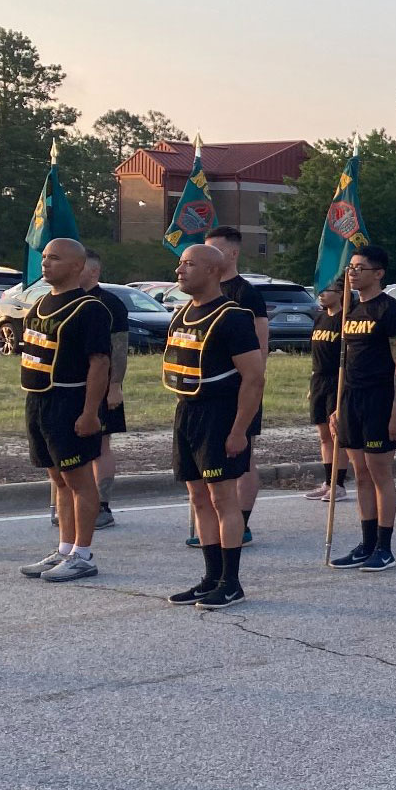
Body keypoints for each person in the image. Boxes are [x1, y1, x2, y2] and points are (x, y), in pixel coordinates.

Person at [159, 244, 264, 608]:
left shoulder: (234, 317)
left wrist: (239, 430)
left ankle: (231, 582)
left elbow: (254, 378)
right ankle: (210, 577)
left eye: (189, 264)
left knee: (223, 499)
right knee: (198, 498)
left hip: (219, 416)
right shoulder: (182, 312)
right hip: (187, 412)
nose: (180, 270)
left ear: (212, 271)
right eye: (180, 263)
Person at [16, 239, 112, 584]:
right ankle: (65, 548)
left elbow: (100, 363)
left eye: (54, 258)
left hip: (70, 403)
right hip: (39, 402)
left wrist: (90, 412)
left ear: (76, 266)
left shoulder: (90, 309)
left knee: (79, 479)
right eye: (44, 258)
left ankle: (83, 555)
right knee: (57, 478)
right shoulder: (39, 303)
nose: (46, 263)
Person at [329, 245, 396, 571]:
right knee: (360, 473)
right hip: (352, 399)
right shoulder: (351, 310)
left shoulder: (392, 311)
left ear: (378, 273)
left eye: (359, 268)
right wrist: (338, 407)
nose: (352, 272)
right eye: (350, 267)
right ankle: (365, 543)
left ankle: (384, 547)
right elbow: (347, 363)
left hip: (381, 399)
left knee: (380, 474)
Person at [203, 226, 266, 547]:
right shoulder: (202, 291)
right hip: (206, 395)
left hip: (240, 390)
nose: (208, 256)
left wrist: (252, 389)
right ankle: (212, 524)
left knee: (243, 457)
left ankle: (241, 521)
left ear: (233, 253)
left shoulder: (246, 294)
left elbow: (260, 346)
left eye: (214, 250)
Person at [79, 249, 128, 529]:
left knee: (101, 444)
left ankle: (102, 505)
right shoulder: (66, 299)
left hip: (102, 385)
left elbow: (119, 350)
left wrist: (115, 387)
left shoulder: (110, 303)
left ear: (94, 271)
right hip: (71, 387)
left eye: (80, 265)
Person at [304, 281, 349, 501]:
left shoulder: (345, 320)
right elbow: (315, 355)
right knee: (323, 435)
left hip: (337, 380)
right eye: (320, 291)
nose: (322, 295)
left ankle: (339, 484)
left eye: (327, 291)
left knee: (336, 433)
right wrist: (312, 384)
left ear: (340, 294)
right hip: (319, 380)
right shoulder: (320, 318)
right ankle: (328, 481)